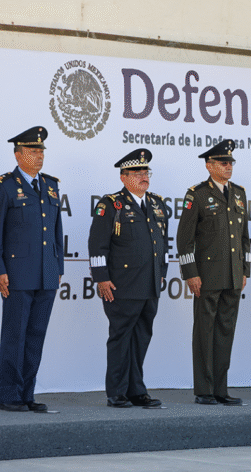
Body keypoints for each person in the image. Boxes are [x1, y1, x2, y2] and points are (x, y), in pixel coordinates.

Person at [0, 126, 64, 412]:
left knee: (35, 336)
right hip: (16, 274)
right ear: (18, 155)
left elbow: (56, 232)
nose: (39, 156)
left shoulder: (51, 185)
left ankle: (27, 393)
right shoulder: (3, 186)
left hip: (46, 273)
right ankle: (10, 395)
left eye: (41, 151)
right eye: (33, 151)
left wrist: (58, 267)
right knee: (15, 335)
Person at [88, 149, 168, 407]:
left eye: (146, 172)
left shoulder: (157, 203)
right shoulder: (111, 204)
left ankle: (137, 390)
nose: (144, 177)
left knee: (142, 337)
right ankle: (117, 391)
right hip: (121, 285)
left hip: (150, 283)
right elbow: (97, 245)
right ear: (124, 177)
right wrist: (101, 278)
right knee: (121, 337)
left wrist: (162, 274)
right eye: (137, 173)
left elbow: (162, 244)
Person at [177, 139, 251, 405]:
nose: (228, 166)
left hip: (233, 276)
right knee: (204, 333)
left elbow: (244, 238)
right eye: (223, 162)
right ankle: (204, 390)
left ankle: (221, 388)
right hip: (207, 276)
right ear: (209, 166)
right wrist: (190, 273)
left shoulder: (240, 193)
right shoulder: (196, 194)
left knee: (225, 333)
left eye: (230, 162)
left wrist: (245, 269)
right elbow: (184, 240)